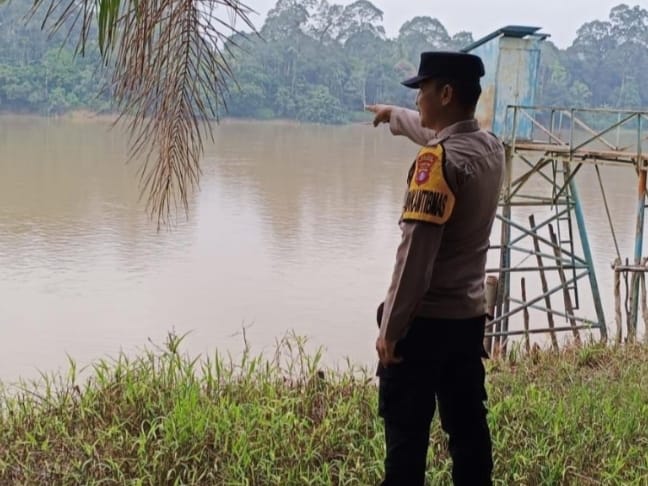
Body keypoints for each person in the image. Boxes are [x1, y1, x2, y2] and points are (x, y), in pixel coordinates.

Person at [366, 51, 505, 486]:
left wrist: (390, 329)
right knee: (467, 430)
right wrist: (394, 116)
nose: (417, 99)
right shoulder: (491, 148)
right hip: (468, 321)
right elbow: (438, 132)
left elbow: (415, 258)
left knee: (406, 439)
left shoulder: (436, 164)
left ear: (445, 94)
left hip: (424, 327)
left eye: (422, 90)